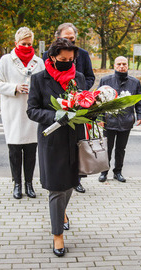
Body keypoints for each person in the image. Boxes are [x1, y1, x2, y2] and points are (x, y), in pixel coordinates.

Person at [27, 38, 86, 257]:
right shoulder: (39, 79)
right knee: (56, 189)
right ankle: (57, 236)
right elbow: (32, 111)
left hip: (74, 140)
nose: (68, 63)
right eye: (63, 59)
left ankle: (61, 213)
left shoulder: (78, 78)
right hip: (52, 142)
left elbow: (85, 104)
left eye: (71, 60)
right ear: (52, 57)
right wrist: (56, 115)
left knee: (70, 183)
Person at [0, 27, 45, 199]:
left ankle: (29, 183)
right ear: (16, 43)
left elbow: (44, 83)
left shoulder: (38, 62)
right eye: (23, 44)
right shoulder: (6, 60)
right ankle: (17, 183)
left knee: (31, 149)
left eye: (30, 44)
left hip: (32, 112)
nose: (27, 47)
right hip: (13, 110)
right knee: (14, 149)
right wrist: (14, 87)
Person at [43, 23, 95, 193]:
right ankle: (56, 183)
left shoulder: (83, 55)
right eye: (66, 38)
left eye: (72, 39)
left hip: (77, 104)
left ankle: (76, 180)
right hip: (56, 106)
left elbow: (89, 76)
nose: (69, 41)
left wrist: (81, 92)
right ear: (57, 37)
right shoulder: (47, 55)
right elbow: (44, 80)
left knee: (76, 147)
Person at [97, 56, 141, 183]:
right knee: (107, 149)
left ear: (128, 66)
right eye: (119, 64)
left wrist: (140, 115)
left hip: (126, 121)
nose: (122, 66)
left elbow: (139, 100)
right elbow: (98, 101)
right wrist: (100, 118)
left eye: (124, 64)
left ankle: (118, 172)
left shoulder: (134, 82)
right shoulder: (105, 80)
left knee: (120, 149)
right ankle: (104, 172)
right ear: (114, 66)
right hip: (108, 121)